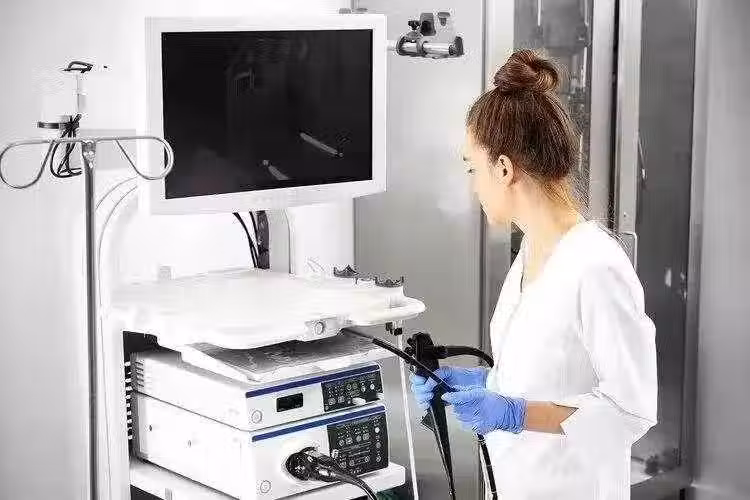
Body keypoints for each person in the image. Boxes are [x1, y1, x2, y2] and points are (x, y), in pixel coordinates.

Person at [411, 49, 658, 499]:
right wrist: (486, 384)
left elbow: (630, 410)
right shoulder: (530, 252)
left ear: (504, 169)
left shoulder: (596, 266)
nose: (473, 185)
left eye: (473, 168)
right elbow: (548, 373)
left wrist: (515, 413)